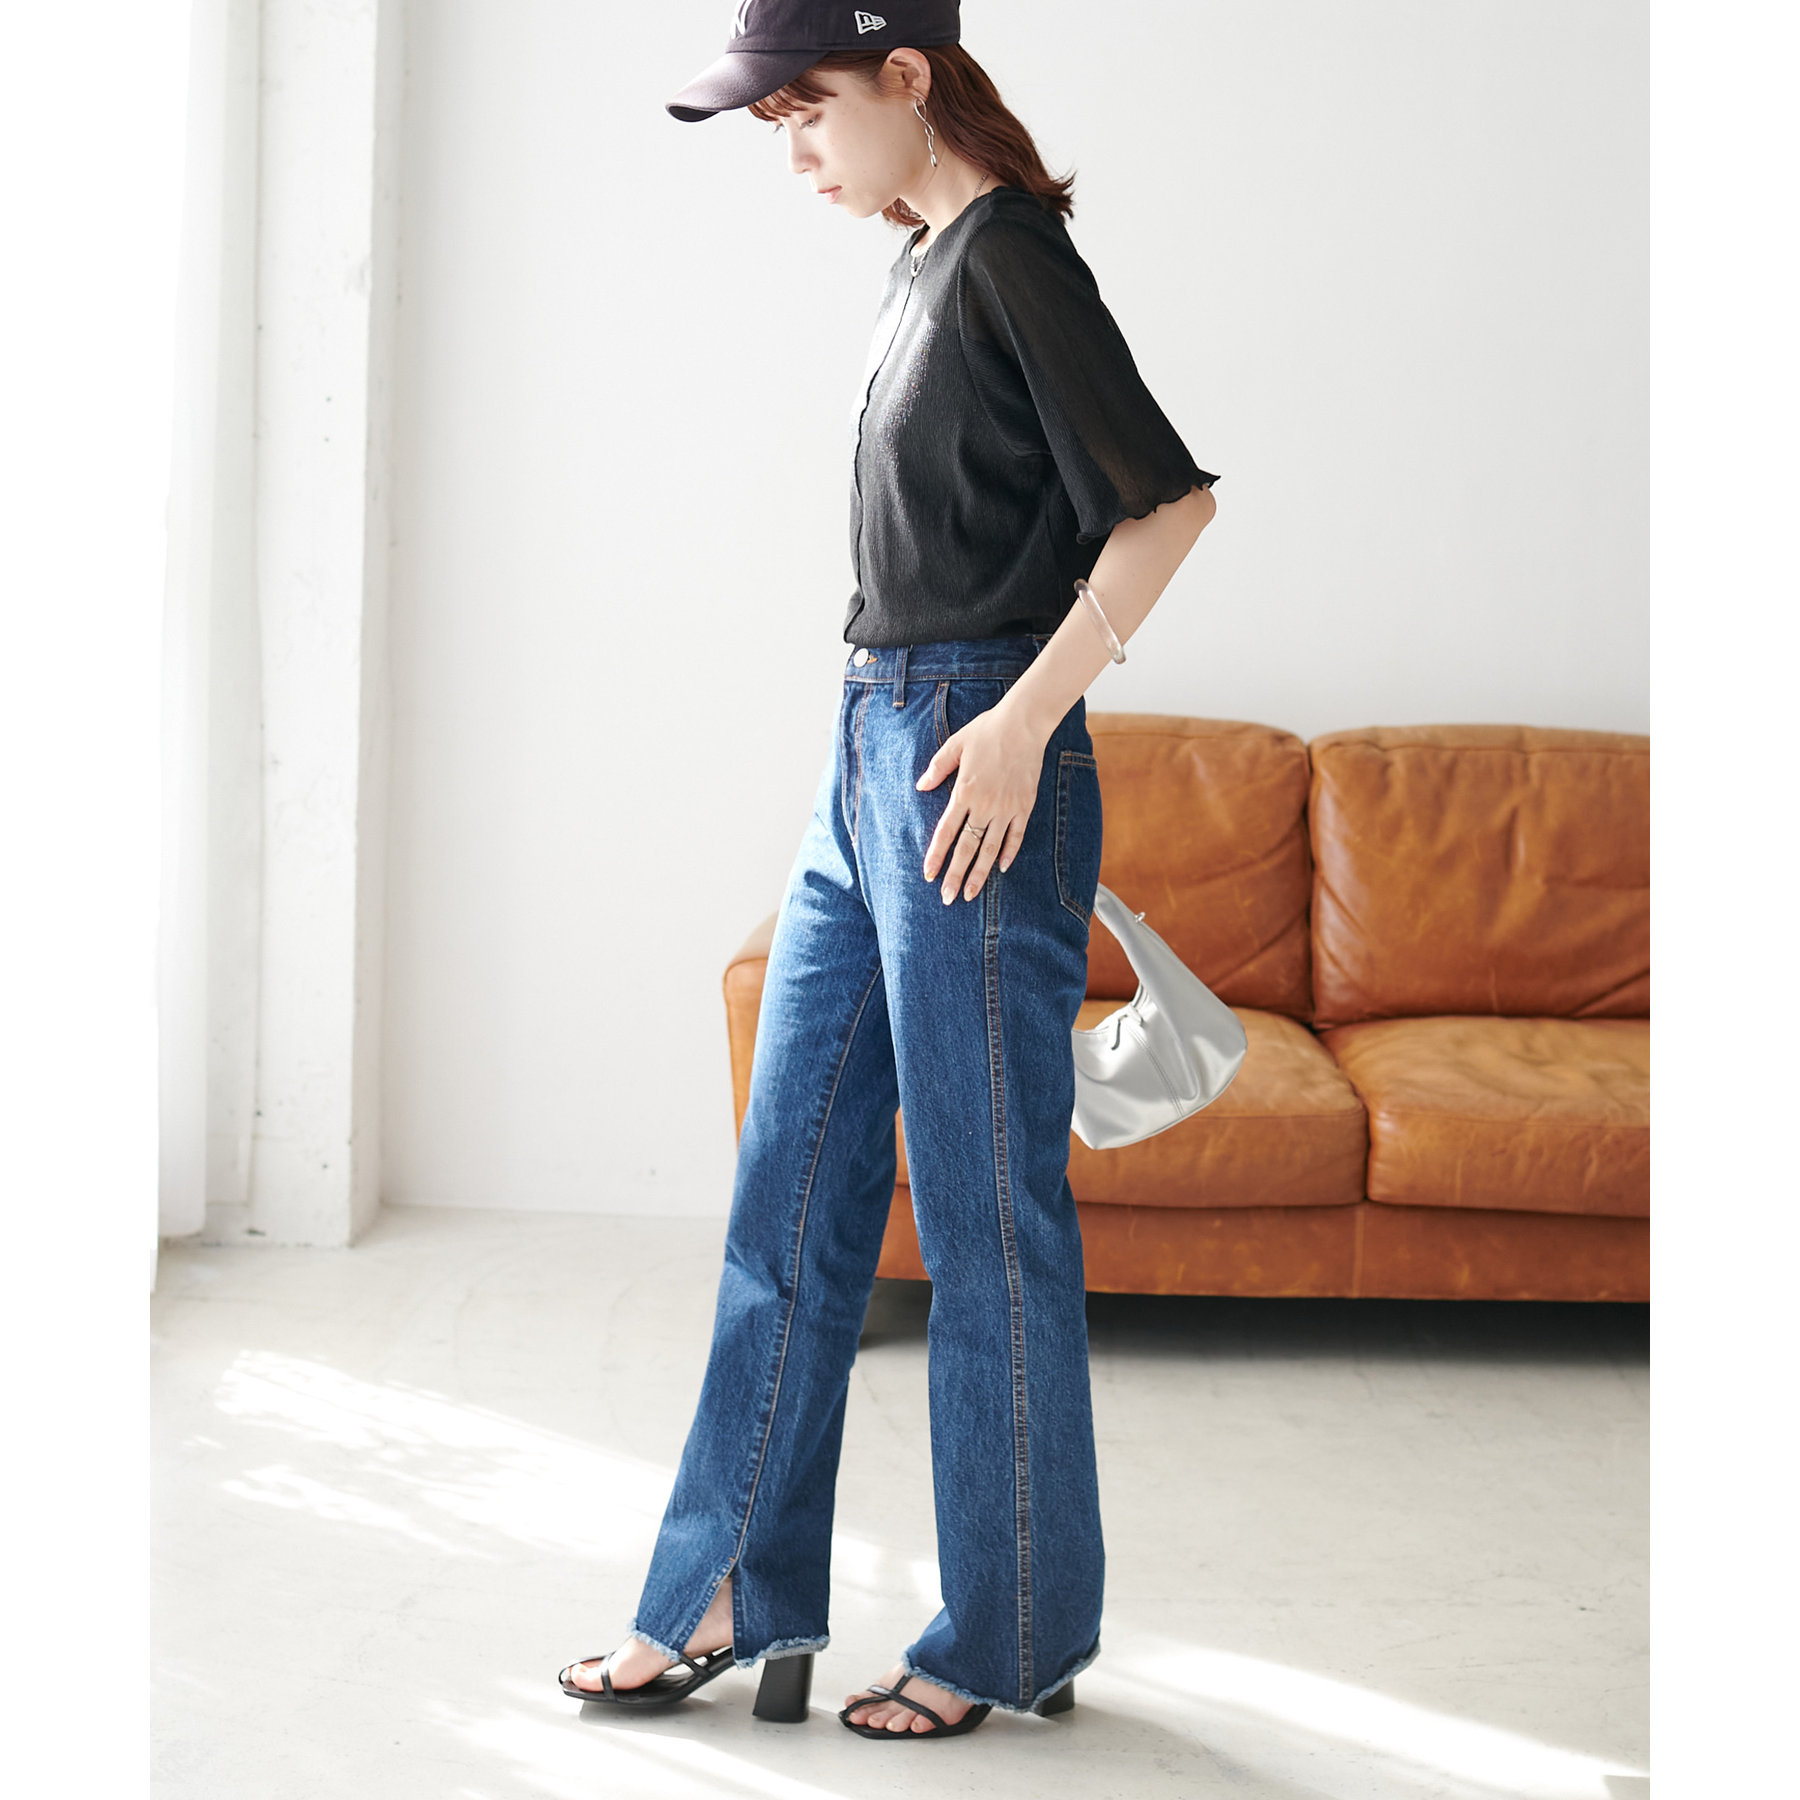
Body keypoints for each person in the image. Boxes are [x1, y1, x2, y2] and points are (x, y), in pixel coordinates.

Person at [559, 0, 1217, 1740]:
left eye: (806, 111)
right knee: (789, 1195)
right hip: (865, 756)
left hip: (969, 757)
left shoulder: (1011, 259)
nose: (791, 153)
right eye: (770, 124)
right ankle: (727, 1589)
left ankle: (1010, 1634)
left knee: (987, 1223)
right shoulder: (919, 263)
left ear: (909, 79)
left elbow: (1167, 508)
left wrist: (1019, 724)